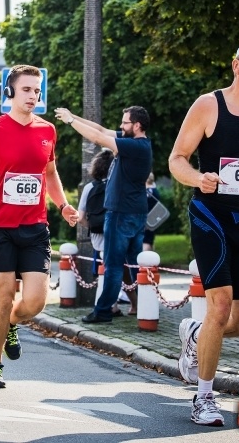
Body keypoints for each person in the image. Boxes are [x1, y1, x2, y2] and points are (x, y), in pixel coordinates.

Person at [168, 36, 239, 426]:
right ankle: (203, 397)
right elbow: (176, 159)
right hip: (211, 215)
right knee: (220, 304)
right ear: (237, 65)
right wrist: (199, 178)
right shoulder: (208, 105)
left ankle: (196, 336)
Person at [0, 65, 79, 388]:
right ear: (10, 92)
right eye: (26, 90)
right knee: (4, 295)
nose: (33, 96)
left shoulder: (47, 131)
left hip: (35, 227)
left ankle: (11, 324)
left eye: (37, 91)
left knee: (36, 301)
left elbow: (50, 174)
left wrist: (63, 205)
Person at [54, 105, 153, 324]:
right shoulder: (138, 144)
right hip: (133, 212)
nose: (120, 126)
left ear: (137, 126)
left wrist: (71, 122)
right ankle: (146, 306)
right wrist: (73, 117)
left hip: (120, 213)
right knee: (135, 263)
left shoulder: (134, 146)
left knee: (114, 264)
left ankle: (104, 311)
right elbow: (100, 129)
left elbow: (98, 138)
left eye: (125, 122)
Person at [77, 149, 132, 315]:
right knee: (118, 268)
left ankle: (110, 305)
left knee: (108, 267)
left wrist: (93, 226)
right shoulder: (120, 186)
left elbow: (80, 217)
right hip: (118, 233)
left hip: (97, 236)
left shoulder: (89, 187)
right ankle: (115, 306)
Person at [143, 173, 160, 252]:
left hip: (144, 218)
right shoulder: (155, 191)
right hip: (153, 219)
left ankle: (145, 258)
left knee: (145, 241)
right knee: (150, 239)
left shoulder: (144, 192)